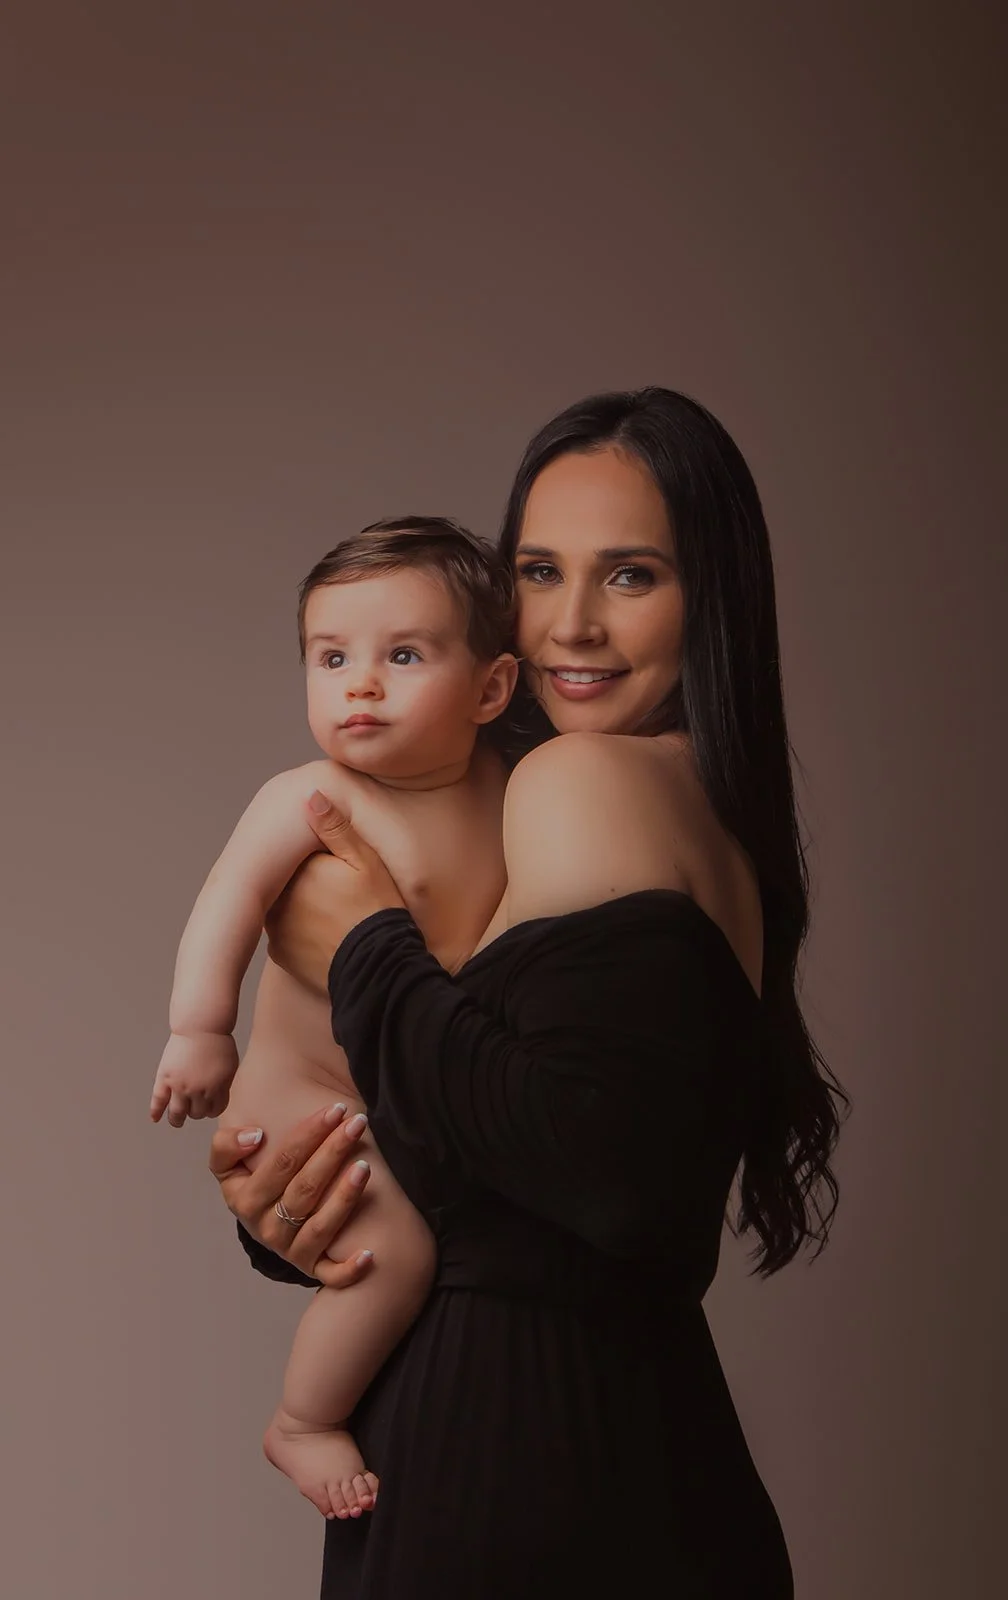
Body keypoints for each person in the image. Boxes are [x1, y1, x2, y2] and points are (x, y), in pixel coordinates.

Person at [210, 387, 844, 1598]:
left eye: (631, 576)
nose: (572, 626)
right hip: (648, 1459)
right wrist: (292, 1198)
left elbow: (588, 1172)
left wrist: (365, 948)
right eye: (540, 570)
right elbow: (507, 1176)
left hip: (509, 1477)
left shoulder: (580, 783)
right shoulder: (708, 810)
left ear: (711, 595)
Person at [152, 518, 518, 1518]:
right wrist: (199, 1029)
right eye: (332, 657)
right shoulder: (312, 794)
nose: (360, 683)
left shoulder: (514, 793)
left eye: (402, 655)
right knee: (392, 1255)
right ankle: (304, 1419)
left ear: (491, 689)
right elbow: (225, 901)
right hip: (308, 1095)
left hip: (422, 1090)